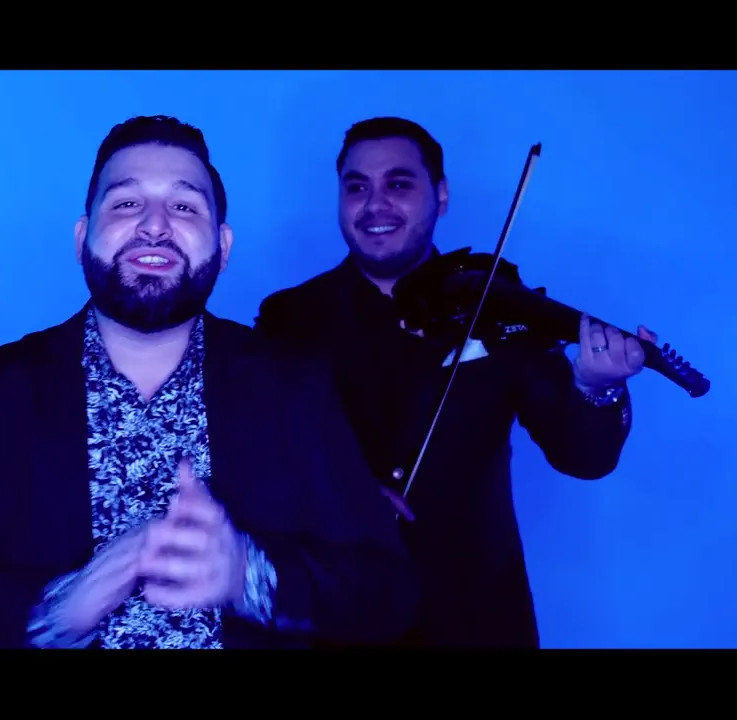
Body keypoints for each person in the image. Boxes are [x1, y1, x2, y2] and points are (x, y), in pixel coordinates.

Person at [0, 115, 419, 649]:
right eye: (127, 203)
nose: (155, 225)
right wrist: (55, 610)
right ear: (83, 238)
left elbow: (389, 593)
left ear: (223, 248)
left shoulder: (294, 388)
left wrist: (249, 575)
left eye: (184, 205)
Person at [254, 116, 657, 648]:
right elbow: (261, 464)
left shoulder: (498, 306)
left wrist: (596, 385)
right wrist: (346, 494)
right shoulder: (288, 318)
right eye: (357, 187)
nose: (375, 205)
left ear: (440, 195)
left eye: (399, 184)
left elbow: (583, 457)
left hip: (476, 616)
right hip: (337, 617)